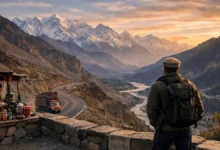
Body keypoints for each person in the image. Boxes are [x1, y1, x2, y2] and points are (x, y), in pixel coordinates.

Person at [147, 57, 204, 150]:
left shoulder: (158, 85)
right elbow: (200, 107)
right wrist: (190, 121)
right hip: (185, 130)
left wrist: (157, 125)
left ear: (164, 68)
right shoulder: (190, 84)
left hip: (165, 130)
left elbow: (151, 110)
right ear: (178, 68)